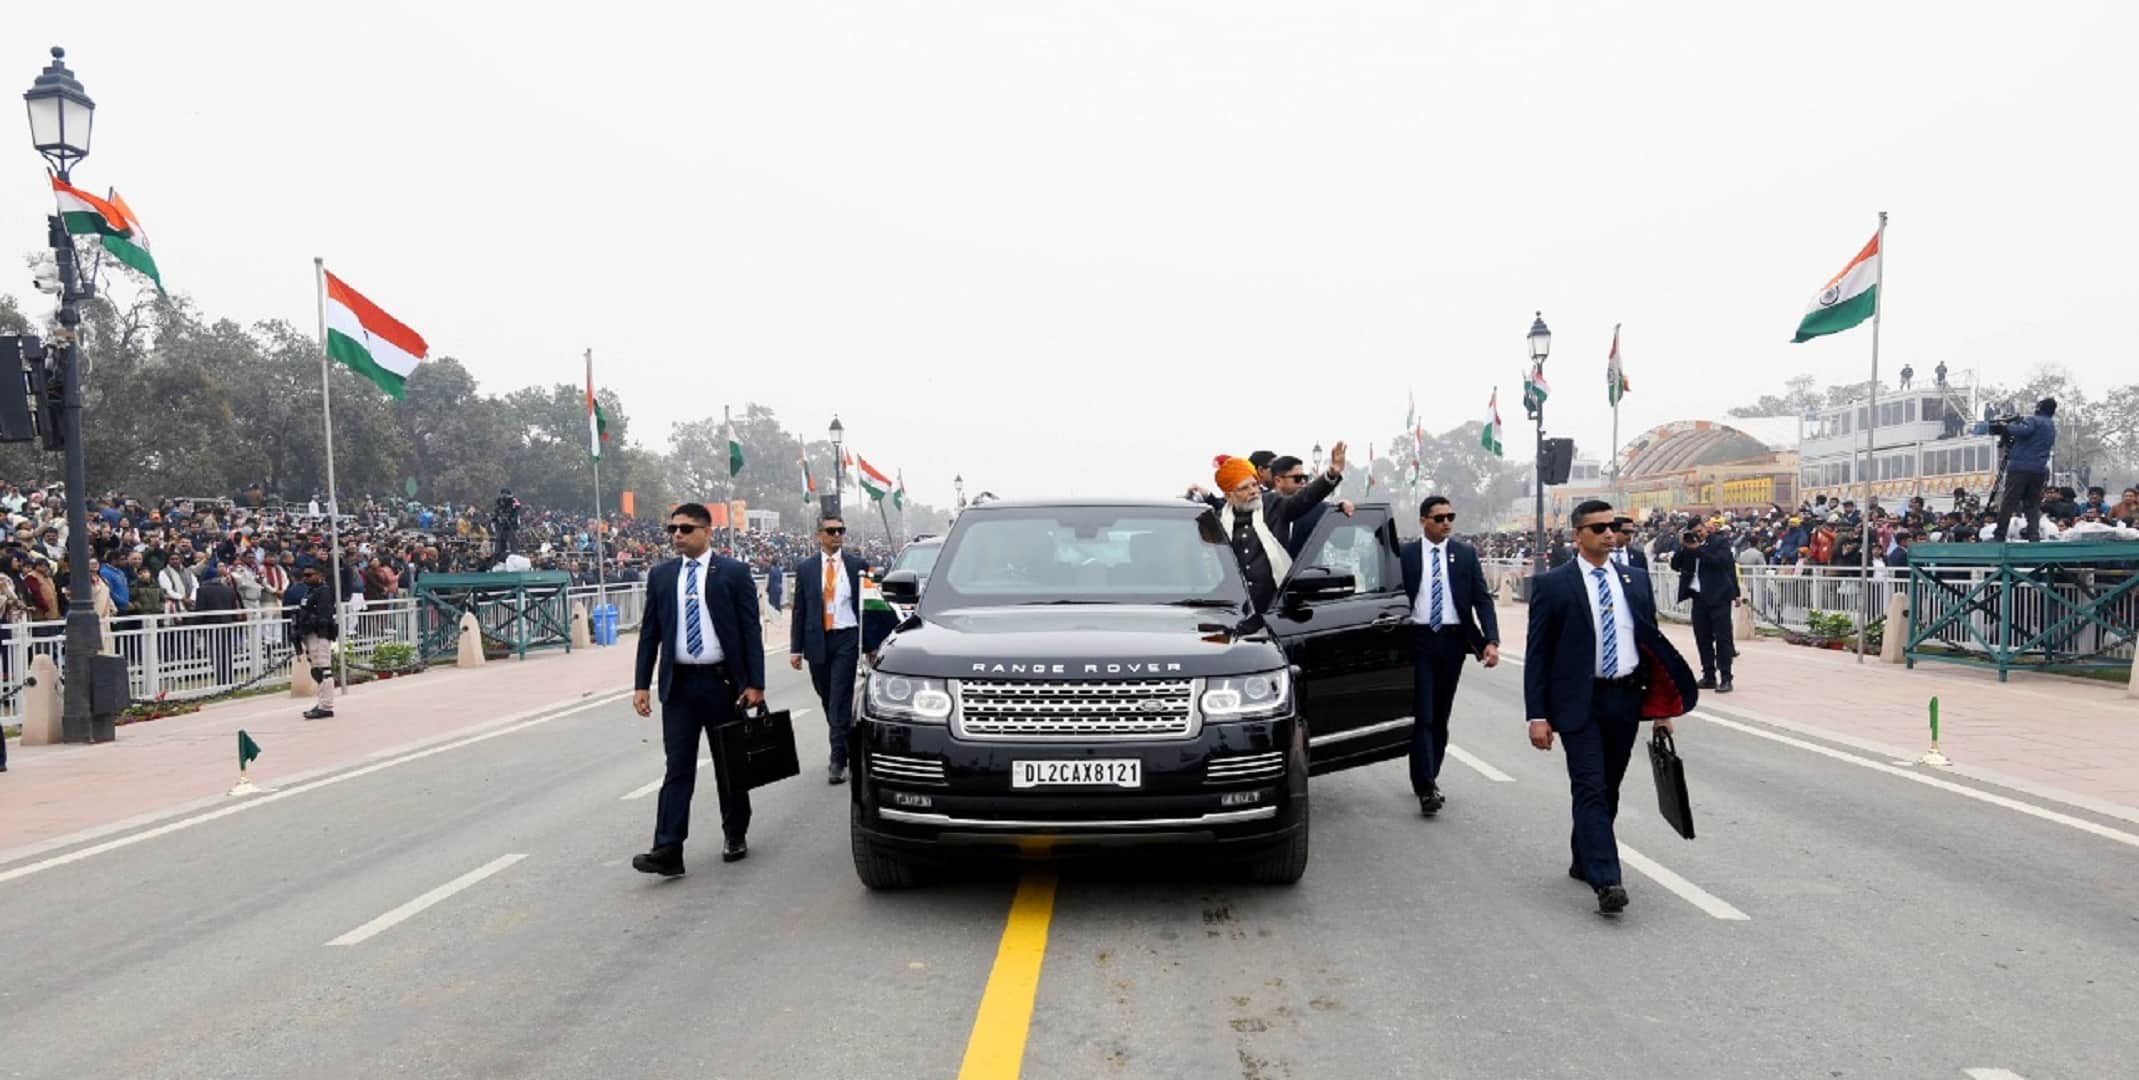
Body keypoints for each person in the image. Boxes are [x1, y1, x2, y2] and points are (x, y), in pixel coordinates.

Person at [1524, 499, 1698, 915]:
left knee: (1609, 789)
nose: (1608, 533)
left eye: (1613, 526)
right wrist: (1537, 715)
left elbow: (1650, 645)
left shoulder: (1635, 580)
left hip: (1624, 698)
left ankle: (1584, 857)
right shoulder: (1553, 586)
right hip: (1577, 702)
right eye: (1598, 527)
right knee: (1591, 786)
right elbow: (1538, 655)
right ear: (1578, 535)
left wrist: (1662, 708)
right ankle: (1608, 880)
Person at [632, 502, 768, 874]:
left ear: (708, 532)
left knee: (729, 764)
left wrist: (756, 682)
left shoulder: (734, 573)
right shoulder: (661, 576)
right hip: (679, 685)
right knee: (677, 768)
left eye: (686, 528)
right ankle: (668, 849)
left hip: (723, 683)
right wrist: (641, 684)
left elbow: (750, 629)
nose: (678, 534)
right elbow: (650, 634)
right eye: (673, 528)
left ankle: (735, 831)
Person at [1398, 495, 1499, 816]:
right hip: (1420, 639)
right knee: (1424, 713)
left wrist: (1490, 640)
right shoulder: (1407, 555)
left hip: (1454, 641)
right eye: (1439, 518)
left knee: (1440, 714)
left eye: (1450, 517)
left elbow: (1482, 599)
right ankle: (1427, 786)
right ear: (1423, 521)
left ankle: (1427, 775)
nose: (1446, 523)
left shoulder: (1465, 555)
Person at [789, 515, 894, 785]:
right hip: (817, 641)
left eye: (841, 530)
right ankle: (846, 744)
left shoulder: (857, 566)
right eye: (831, 531)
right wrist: (795, 648)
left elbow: (869, 607)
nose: (837, 535)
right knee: (827, 698)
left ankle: (837, 760)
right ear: (819, 535)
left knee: (839, 697)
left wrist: (871, 644)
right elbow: (799, 610)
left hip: (847, 637)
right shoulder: (806, 568)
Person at [1208, 445, 1347, 612]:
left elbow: (1305, 498)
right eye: (1245, 488)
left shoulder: (1274, 505)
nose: (1253, 491)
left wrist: (1331, 475)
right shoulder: (1218, 521)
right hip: (1233, 611)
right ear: (1229, 496)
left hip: (1276, 610)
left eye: (1254, 484)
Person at [1670, 518, 1740, 692]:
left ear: (1706, 529)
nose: (1698, 535)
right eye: (1694, 532)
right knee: (1702, 638)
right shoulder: (1688, 545)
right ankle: (1709, 676)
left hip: (1719, 597)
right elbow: (1675, 565)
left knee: (1723, 639)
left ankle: (1726, 677)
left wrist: (1698, 550)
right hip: (1698, 597)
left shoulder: (1719, 542)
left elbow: (1723, 563)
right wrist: (1682, 547)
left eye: (1700, 531)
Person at [1991, 398, 2057, 542]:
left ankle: (1999, 534)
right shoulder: (2051, 425)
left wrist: (2005, 426)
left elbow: (2023, 431)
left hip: (2020, 467)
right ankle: (2034, 535)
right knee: (2032, 504)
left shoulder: (2034, 420)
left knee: (2009, 501)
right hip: (2039, 469)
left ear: (2039, 407)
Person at [1270, 455, 1356, 558]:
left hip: (1307, 573)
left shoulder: (1319, 509)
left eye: (1305, 478)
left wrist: (1340, 511)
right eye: (1297, 478)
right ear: (1278, 481)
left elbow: (1345, 543)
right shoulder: (1261, 509)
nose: (1303, 482)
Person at [294, 564, 339, 720]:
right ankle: (321, 703)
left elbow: (323, 615)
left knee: (324, 670)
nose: (306, 578)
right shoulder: (310, 592)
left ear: (319, 575)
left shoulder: (324, 591)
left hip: (320, 634)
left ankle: (326, 706)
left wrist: (312, 624)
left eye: (310, 575)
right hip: (310, 634)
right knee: (316, 671)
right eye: (305, 575)